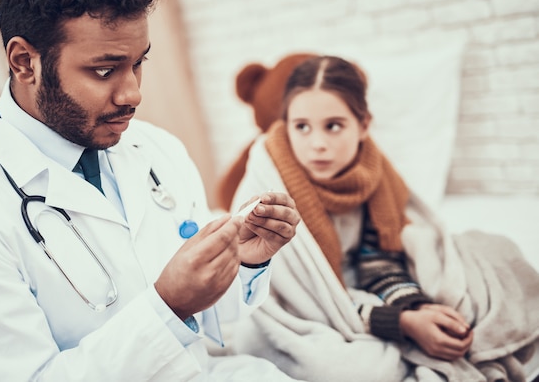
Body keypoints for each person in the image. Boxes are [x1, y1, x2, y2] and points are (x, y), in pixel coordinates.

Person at [0, 0, 303, 381]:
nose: (133, 93)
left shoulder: (156, 148)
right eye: (104, 70)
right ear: (25, 62)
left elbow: (215, 324)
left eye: (138, 63)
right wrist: (167, 307)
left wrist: (242, 261)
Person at [228, 55, 539, 382]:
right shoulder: (267, 186)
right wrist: (400, 322)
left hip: (363, 290)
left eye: (334, 126)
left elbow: (383, 254)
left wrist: (414, 307)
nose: (317, 144)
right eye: (301, 127)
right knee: (353, 369)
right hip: (300, 310)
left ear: (363, 126)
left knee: (476, 284)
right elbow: (298, 298)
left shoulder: (373, 172)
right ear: (286, 124)